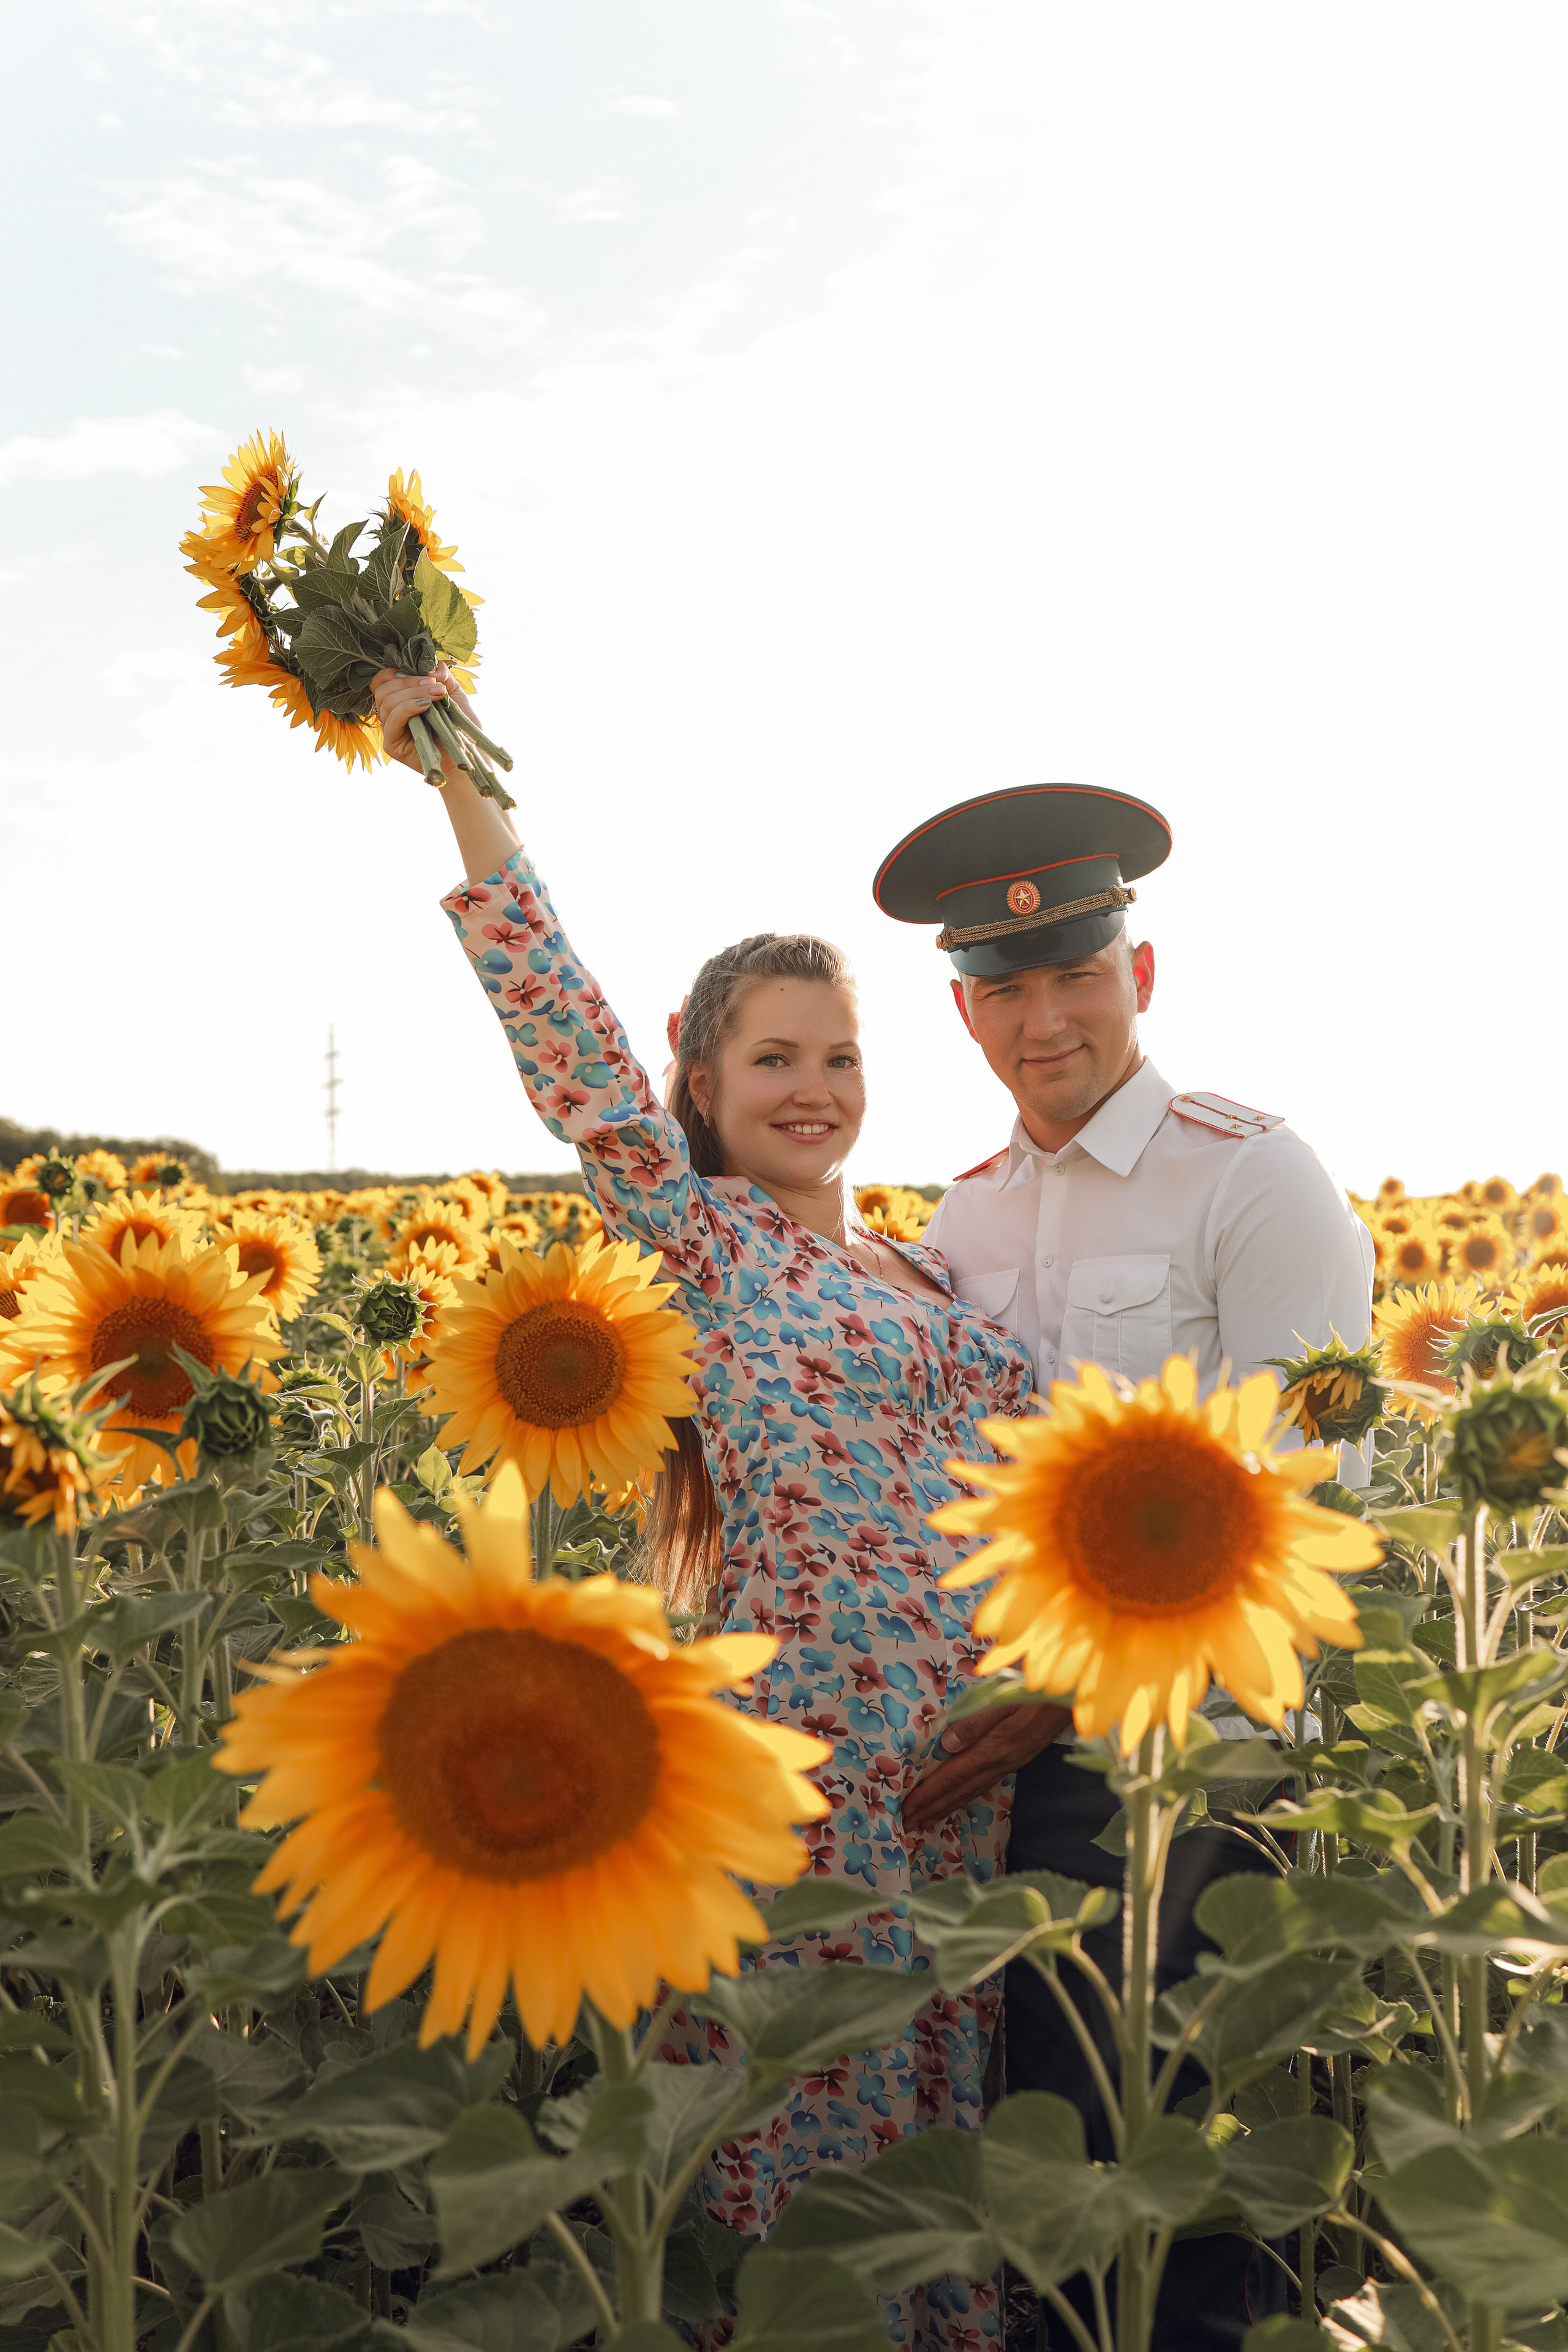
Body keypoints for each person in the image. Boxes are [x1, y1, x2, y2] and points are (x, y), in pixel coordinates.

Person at [370, 664, 1036, 2352]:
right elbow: (560, 1030)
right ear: (702, 1069)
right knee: (800, 2136)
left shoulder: (927, 1266)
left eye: (839, 1055)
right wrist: (450, 764)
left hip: (962, 1767)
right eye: (774, 1057)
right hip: (794, 1761)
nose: (812, 1088)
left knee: (941, 2153)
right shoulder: (705, 1239)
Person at [880, 783, 1374, 2351]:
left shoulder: (1251, 1179)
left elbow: (1297, 1501)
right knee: (1037, 2179)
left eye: (1073, 976)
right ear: (964, 1012)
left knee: (1178, 2189)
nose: (1045, 1021)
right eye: (1006, 990)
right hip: (1005, 1770)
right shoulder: (960, 1215)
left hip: (1194, 1770)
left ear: (1137, 978)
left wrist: (1055, 1688)